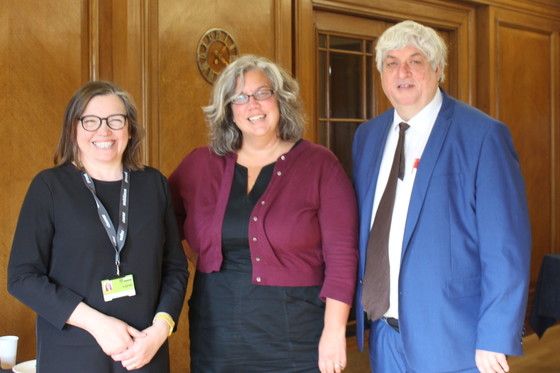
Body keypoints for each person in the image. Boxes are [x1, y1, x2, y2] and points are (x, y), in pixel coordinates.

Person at [353, 20, 531, 373]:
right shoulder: (367, 136)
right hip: (385, 336)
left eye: (415, 61)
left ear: (438, 68)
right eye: (391, 63)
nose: (402, 71)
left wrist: (495, 334)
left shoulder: (483, 136)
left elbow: (506, 247)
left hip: (455, 338)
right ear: (381, 73)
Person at [168, 54, 358, 373]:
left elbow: (342, 256)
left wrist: (335, 330)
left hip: (298, 331)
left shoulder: (320, 164)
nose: (252, 105)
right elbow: (164, 218)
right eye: (239, 98)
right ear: (228, 109)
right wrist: (199, 253)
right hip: (217, 330)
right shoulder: (200, 164)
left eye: (262, 93)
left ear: (281, 99)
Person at [8, 80, 189, 373]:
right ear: (73, 129)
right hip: (72, 355)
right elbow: (22, 277)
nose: (103, 131)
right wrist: (98, 324)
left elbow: (175, 268)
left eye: (115, 120)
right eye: (90, 121)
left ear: (129, 129)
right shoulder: (49, 187)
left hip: (143, 353)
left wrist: (160, 331)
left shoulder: (153, 184)